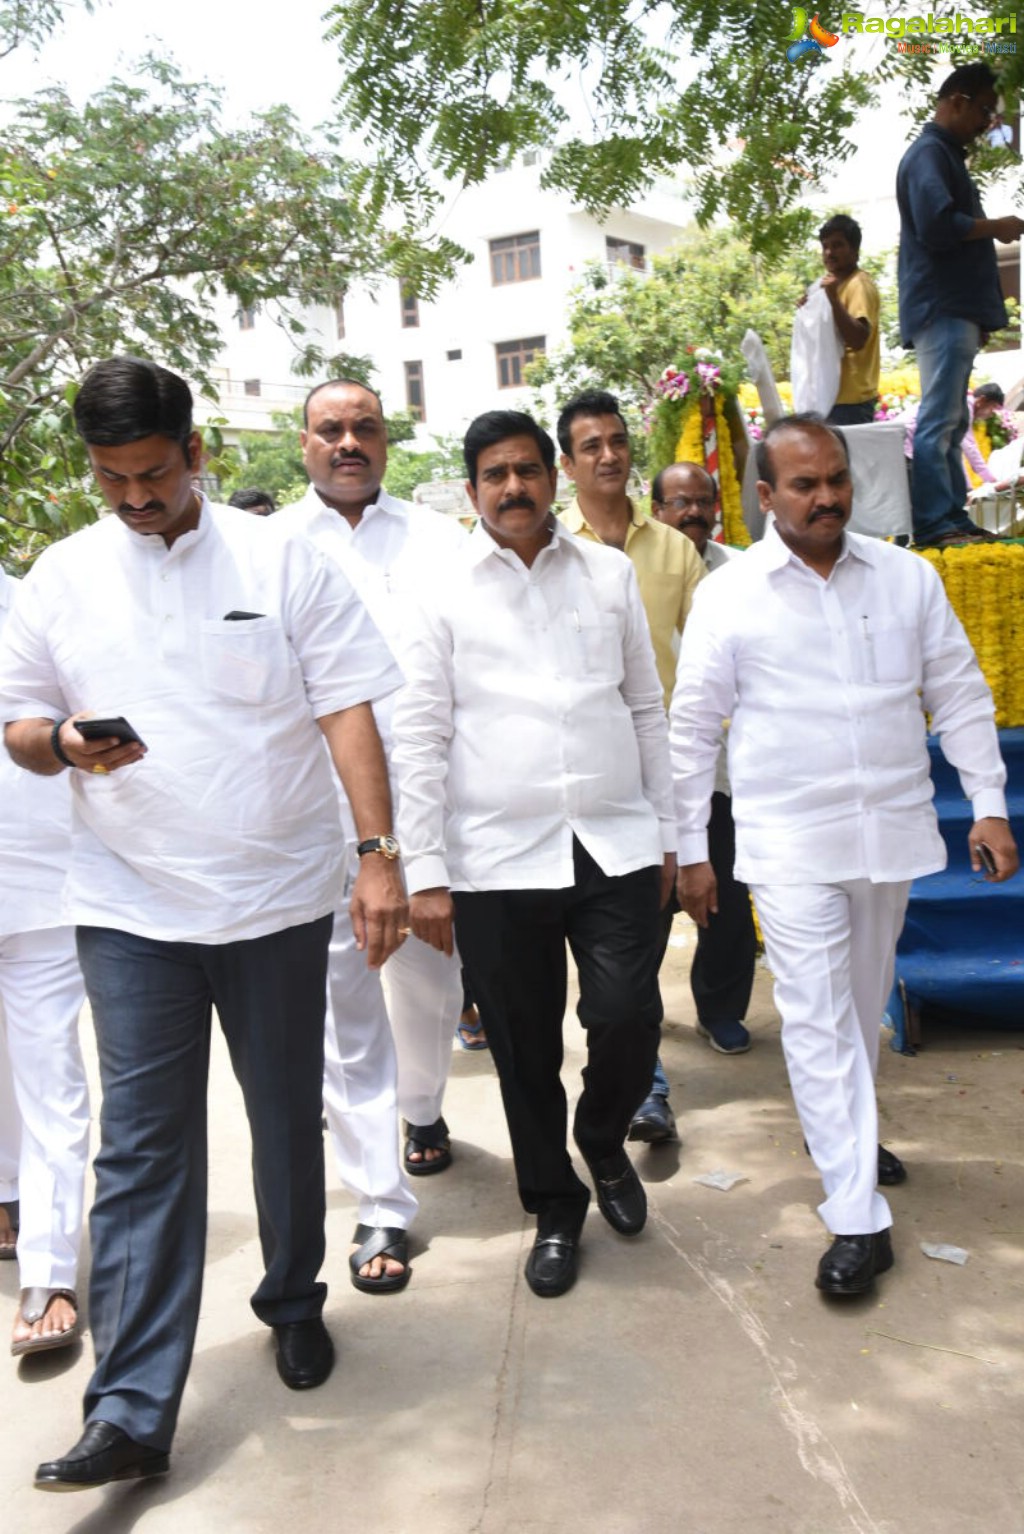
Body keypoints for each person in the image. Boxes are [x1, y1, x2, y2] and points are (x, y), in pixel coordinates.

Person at [0, 356, 407, 1491]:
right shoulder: (63, 575)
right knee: (141, 1149)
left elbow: (346, 709)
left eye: (152, 474)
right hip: (129, 906)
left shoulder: (285, 558)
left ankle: (291, 1299)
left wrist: (377, 856)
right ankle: (129, 1406)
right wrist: (65, 744)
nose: (134, 499)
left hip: (276, 899)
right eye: (110, 478)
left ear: (196, 452)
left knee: (284, 1120)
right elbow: (18, 724)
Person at [670, 414, 1018, 1298]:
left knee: (860, 1007)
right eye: (803, 484)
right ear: (763, 497)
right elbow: (690, 729)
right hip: (788, 841)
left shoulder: (904, 578)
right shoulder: (731, 594)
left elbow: (961, 694)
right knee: (817, 1016)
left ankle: (851, 1142)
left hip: (890, 832)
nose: (826, 496)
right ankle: (857, 1214)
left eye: (835, 479)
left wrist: (986, 805)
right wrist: (687, 849)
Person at [392, 409, 676, 1299]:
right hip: (492, 859)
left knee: (628, 1018)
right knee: (520, 1050)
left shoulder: (609, 573)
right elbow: (419, 733)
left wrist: (671, 834)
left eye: (526, 470)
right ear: (473, 488)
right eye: (494, 475)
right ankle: (555, 1206)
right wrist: (425, 873)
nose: (512, 488)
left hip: (613, 843)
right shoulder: (436, 587)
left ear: (553, 474)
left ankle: (602, 1137)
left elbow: (643, 709)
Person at [282, 377, 468, 1293]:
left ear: (387, 441)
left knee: (431, 984)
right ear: (304, 442)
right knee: (345, 1010)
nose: (347, 442)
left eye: (363, 428)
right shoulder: (269, 547)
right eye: (330, 429)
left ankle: (424, 1111)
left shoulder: (440, 540)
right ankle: (379, 1202)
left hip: (431, 803)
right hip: (317, 818)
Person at [557, 391, 705, 1144]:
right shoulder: (548, 549)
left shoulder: (677, 552)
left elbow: (707, 663)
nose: (609, 455)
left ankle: (644, 1087)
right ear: (567, 463)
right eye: (591, 445)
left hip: (656, 770)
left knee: (638, 941)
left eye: (617, 441)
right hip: (574, 777)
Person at [0, 569, 90, 1361]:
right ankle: (7, 1193)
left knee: (49, 1077)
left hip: (38, 882)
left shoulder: (41, 601)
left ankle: (51, 1271)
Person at [648, 463, 758, 1071]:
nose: (692, 511)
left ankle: (721, 1009)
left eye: (701, 500)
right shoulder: (631, 567)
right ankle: (639, 1005)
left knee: (727, 893)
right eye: (678, 502)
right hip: (650, 771)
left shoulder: (744, 573)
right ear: (657, 509)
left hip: (723, 773)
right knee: (648, 900)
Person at [896, 62, 1024, 548]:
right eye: (986, 111)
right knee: (940, 420)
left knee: (950, 420)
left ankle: (950, 516)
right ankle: (935, 523)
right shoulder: (929, 153)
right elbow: (939, 225)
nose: (988, 123)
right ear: (957, 101)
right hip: (943, 307)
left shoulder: (942, 155)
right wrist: (998, 226)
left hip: (955, 309)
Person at [815, 214, 880, 427]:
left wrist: (832, 299)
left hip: (852, 403)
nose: (829, 253)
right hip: (832, 398)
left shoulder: (859, 285)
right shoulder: (831, 286)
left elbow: (858, 338)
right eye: (825, 246)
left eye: (837, 245)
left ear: (854, 250)